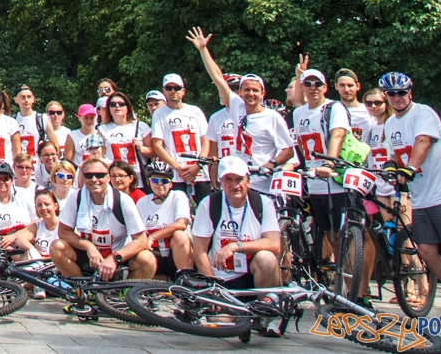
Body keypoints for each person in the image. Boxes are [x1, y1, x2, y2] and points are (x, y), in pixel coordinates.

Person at [379, 71, 441, 316]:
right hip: (422, 197)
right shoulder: (391, 123)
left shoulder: (423, 113)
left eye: (401, 92)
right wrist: (392, 168)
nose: (397, 97)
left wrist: (410, 169)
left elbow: (423, 142)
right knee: (426, 252)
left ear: (409, 93)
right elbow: (394, 155)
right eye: (392, 93)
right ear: (386, 96)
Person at [188, 28, 295, 192]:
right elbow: (218, 78)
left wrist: (272, 164)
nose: (250, 94)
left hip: (263, 185)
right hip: (240, 182)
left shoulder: (272, 117)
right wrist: (203, 50)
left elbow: (288, 150)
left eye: (255, 90)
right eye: (246, 90)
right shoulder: (237, 108)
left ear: (262, 94)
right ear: (240, 92)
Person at [287, 65, 352, 265]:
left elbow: (338, 134)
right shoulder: (299, 113)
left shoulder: (334, 107)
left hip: (335, 180)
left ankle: (354, 288)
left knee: (341, 235)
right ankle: (337, 283)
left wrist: (329, 163)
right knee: (326, 234)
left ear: (325, 87)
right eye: (308, 84)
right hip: (314, 183)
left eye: (318, 84)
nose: (313, 88)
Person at [51, 157, 156, 279]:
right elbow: (63, 232)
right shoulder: (77, 197)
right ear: (83, 178)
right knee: (57, 247)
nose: (94, 179)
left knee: (147, 259)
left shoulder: (123, 201)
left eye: (99, 175)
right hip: (89, 257)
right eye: (89, 175)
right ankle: (80, 288)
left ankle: (126, 293)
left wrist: (115, 258)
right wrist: (88, 246)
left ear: (108, 178)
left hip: (117, 257)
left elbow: (141, 240)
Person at [191, 155, 282, 292]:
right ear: (221, 182)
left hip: (253, 275)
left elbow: (274, 244)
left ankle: (265, 308)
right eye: (229, 180)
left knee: (267, 258)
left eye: (239, 179)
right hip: (221, 280)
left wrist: (235, 246)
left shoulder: (263, 203)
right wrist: (212, 288)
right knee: (223, 315)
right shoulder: (208, 203)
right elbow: (199, 251)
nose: (235, 185)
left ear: (248, 181)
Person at [146, 73, 211, 203]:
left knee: (207, 208)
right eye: (169, 88)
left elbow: (206, 141)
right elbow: (157, 146)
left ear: (183, 91)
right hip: (176, 174)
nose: (173, 91)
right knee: (178, 210)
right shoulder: (159, 114)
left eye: (177, 88)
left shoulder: (195, 111)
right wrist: (178, 168)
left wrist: (198, 165)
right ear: (164, 91)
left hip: (199, 172)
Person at [137, 162, 194, 277]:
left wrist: (153, 237)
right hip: (155, 255)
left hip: (175, 254)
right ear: (148, 182)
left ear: (171, 184)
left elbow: (181, 224)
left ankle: (186, 279)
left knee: (180, 235)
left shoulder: (178, 196)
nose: (160, 185)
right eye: (155, 181)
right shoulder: (142, 202)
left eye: (164, 181)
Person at [99, 92, 151, 182]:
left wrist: (141, 148)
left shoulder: (140, 126)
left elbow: (154, 152)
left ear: (128, 107)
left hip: (138, 178)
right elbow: (100, 156)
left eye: (121, 104)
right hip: (115, 179)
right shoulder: (102, 129)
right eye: (113, 104)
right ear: (109, 109)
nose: (117, 106)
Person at [13, 85, 46, 159]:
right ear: (16, 100)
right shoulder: (11, 120)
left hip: (37, 166)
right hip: (19, 166)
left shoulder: (42, 118)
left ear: (33, 99)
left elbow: (54, 145)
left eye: (29, 97)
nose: (26, 100)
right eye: (23, 97)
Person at [34, 190, 62, 265]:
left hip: (59, 267)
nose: (43, 208)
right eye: (39, 205)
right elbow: (19, 238)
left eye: (47, 204)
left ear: (55, 206)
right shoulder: (37, 224)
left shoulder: (64, 225)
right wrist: (33, 252)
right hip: (41, 266)